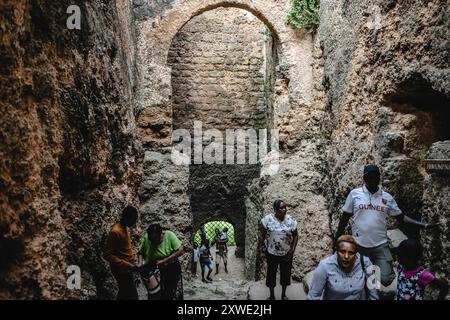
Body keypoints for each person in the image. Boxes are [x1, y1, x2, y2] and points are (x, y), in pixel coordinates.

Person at [335, 164, 436, 290]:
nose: (372, 178)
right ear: (364, 178)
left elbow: (401, 218)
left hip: (380, 245)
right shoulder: (355, 194)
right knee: (356, 276)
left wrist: (424, 225)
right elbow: (345, 217)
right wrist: (338, 238)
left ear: (379, 178)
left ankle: (370, 281)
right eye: (369, 176)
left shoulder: (386, 197)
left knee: (386, 279)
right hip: (359, 244)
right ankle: (369, 292)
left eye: (375, 176)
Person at [307, 235, 379, 300]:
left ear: (355, 253)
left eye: (350, 253)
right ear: (337, 251)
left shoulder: (366, 263)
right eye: (342, 251)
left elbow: (374, 294)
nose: (346, 256)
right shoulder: (325, 266)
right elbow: (313, 296)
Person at [258, 200, 299, 300]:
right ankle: (272, 296)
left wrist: (292, 250)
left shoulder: (290, 220)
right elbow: (261, 235)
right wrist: (261, 249)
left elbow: (296, 235)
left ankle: (283, 295)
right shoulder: (267, 219)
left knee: (285, 275)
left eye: (285, 207)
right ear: (275, 210)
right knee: (271, 274)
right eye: (281, 208)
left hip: (286, 253)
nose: (284, 209)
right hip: (271, 253)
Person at [138, 223, 184, 300]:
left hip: (171, 267)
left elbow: (181, 251)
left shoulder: (169, 235)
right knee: (154, 293)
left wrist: (164, 261)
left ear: (161, 235)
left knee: (168, 291)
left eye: (154, 239)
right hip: (154, 267)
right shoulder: (147, 238)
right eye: (150, 239)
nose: (152, 241)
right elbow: (141, 252)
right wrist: (140, 262)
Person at [103, 205, 140, 300]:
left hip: (127, 269)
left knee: (124, 294)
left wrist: (133, 261)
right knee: (133, 297)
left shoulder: (126, 229)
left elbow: (125, 249)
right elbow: (107, 254)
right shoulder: (115, 232)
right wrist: (127, 264)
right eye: (133, 220)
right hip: (121, 271)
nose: (134, 222)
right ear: (127, 217)